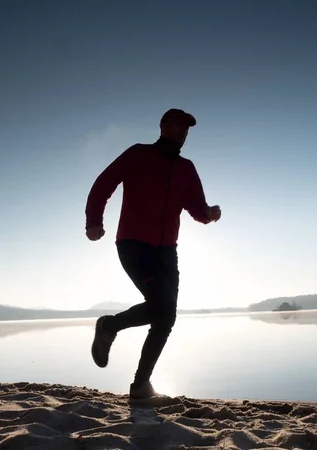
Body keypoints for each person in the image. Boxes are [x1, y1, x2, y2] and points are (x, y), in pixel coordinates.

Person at [84, 108, 221, 400]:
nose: (182, 132)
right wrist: (94, 221)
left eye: (186, 128)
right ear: (161, 126)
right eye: (176, 125)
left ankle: (140, 386)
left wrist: (209, 214)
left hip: (167, 251)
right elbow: (103, 185)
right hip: (133, 245)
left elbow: (196, 207)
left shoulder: (187, 168)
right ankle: (109, 326)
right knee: (162, 304)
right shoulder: (138, 155)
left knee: (166, 316)